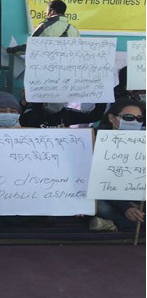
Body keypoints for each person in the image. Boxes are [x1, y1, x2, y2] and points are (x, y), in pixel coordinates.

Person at [90, 98, 145, 231]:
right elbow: (99, 182)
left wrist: (137, 201)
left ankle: (111, 223)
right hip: (106, 196)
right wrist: (125, 206)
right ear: (112, 118)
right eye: (128, 117)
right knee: (99, 206)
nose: (134, 122)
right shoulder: (96, 142)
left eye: (139, 118)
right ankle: (119, 222)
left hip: (135, 195)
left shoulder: (143, 143)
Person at [6, 0, 79, 53]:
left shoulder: (45, 26)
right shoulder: (74, 30)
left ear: (52, 11)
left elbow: (32, 45)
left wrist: (14, 50)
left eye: (47, 10)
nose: (46, 12)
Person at [19, 97, 105, 128]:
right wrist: (24, 102)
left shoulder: (66, 114)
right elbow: (17, 121)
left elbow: (94, 116)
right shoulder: (31, 114)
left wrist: (102, 98)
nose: (56, 101)